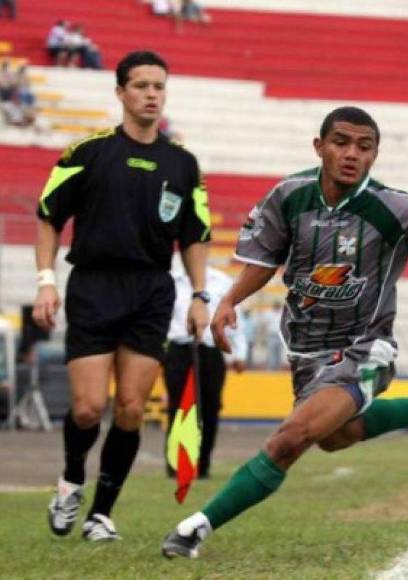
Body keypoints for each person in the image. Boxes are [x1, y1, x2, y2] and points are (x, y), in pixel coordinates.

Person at [160, 106, 408, 559]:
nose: (351, 154)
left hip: (364, 348)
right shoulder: (289, 196)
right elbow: (265, 259)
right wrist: (230, 301)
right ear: (319, 146)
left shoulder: (396, 209)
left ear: (375, 155)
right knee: (335, 436)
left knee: (291, 438)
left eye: (364, 147)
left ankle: (194, 528)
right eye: (341, 143)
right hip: (306, 353)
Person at [33, 50, 211, 542]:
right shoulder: (86, 153)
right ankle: (71, 480)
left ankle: (101, 515)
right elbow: (48, 217)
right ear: (120, 93)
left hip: (152, 290)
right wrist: (46, 280)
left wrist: (200, 295)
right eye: (141, 86)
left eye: (159, 86)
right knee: (89, 408)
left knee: (131, 407)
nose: (152, 94)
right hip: (93, 285)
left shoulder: (183, 163)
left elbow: (195, 236)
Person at [165, 265, 247, 479]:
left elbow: (235, 317)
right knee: (178, 406)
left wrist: (239, 353)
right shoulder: (173, 281)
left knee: (210, 407)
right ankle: (176, 464)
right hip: (179, 349)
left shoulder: (222, 281)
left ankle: (202, 465)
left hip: (210, 350)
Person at [262, 301, 284, 370]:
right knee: (271, 352)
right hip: (271, 335)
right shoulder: (269, 313)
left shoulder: (282, 313)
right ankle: (271, 369)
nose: (277, 306)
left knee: (279, 353)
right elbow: (264, 325)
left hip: (280, 335)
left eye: (278, 305)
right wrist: (264, 336)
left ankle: (278, 368)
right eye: (276, 305)